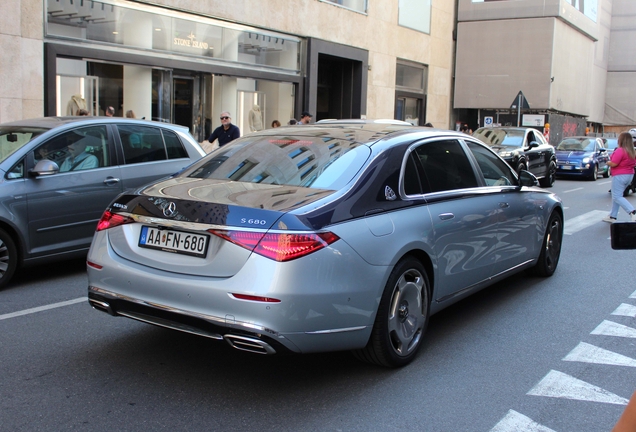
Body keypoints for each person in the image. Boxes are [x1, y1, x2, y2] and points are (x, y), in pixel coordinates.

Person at [603, 130, 636, 223]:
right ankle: (613, 215)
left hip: (619, 175)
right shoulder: (632, 151)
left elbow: (614, 164)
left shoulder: (620, 150)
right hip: (629, 175)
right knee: (617, 195)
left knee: (617, 196)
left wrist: (607, 162)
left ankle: (632, 212)